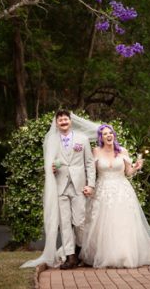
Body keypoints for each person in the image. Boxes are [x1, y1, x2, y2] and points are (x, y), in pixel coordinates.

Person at [21, 109, 97, 269]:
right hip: (60, 186)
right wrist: (51, 169)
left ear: (70, 121)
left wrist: (90, 184)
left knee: (79, 222)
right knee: (64, 223)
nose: (63, 122)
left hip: (79, 187)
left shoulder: (82, 139)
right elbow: (48, 163)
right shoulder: (51, 141)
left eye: (65, 119)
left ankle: (81, 251)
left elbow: (90, 163)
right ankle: (70, 257)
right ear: (56, 123)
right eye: (60, 120)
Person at [80, 123, 150, 268]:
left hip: (121, 190)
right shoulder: (96, 151)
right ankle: (106, 256)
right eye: (105, 134)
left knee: (123, 223)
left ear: (114, 135)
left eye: (110, 132)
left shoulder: (122, 151)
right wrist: (89, 186)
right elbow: (91, 172)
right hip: (102, 190)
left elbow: (128, 173)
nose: (108, 135)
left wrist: (136, 168)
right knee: (104, 224)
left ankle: (125, 255)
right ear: (101, 137)